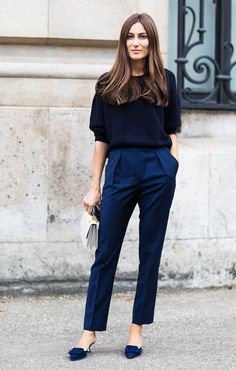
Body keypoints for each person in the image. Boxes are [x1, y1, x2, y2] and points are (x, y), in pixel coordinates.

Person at [68, 12, 181, 361]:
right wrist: (94, 187)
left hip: (157, 169)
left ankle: (137, 329)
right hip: (119, 168)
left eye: (143, 36)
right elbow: (101, 140)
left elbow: (172, 131)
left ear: (151, 42)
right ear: (123, 41)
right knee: (105, 254)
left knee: (150, 252)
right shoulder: (107, 84)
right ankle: (89, 332)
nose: (136, 42)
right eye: (131, 36)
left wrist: (171, 167)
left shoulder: (166, 80)